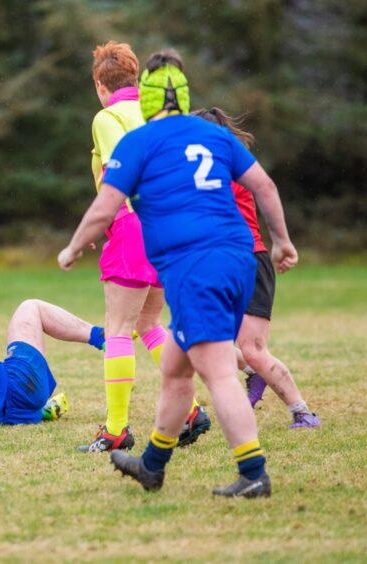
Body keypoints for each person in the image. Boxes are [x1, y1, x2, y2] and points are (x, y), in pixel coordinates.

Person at [58, 50, 298, 498]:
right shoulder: (214, 134)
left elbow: (106, 206)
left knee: (219, 373)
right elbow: (264, 185)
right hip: (239, 258)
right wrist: (283, 241)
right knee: (173, 366)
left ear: (147, 100)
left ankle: (254, 472)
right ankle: (152, 465)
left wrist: (72, 248)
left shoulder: (141, 141)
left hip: (197, 267)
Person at [79, 41, 208, 453]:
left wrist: (105, 220)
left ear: (101, 84)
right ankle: (190, 412)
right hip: (171, 226)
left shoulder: (108, 115)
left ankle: (115, 429)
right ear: (136, 79)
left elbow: (123, 170)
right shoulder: (160, 113)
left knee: (117, 328)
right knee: (148, 324)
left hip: (134, 222)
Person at [193, 107, 320, 429]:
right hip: (224, 262)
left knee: (253, 348)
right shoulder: (226, 165)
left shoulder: (216, 172)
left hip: (248, 261)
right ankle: (253, 373)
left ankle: (303, 412)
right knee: (201, 341)